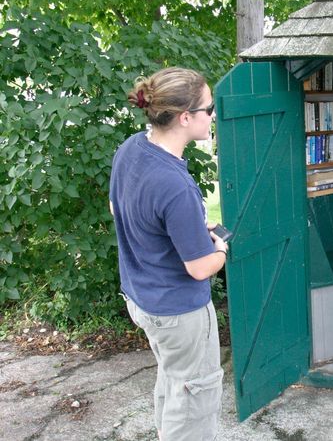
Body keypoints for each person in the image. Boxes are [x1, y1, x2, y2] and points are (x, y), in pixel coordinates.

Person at [109, 67, 228, 441]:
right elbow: (199, 268)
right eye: (209, 109)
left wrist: (187, 232)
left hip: (141, 299)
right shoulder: (175, 184)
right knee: (195, 398)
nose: (214, 115)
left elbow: (119, 210)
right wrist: (220, 248)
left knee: (175, 380)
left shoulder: (131, 149)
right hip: (179, 312)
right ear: (185, 117)